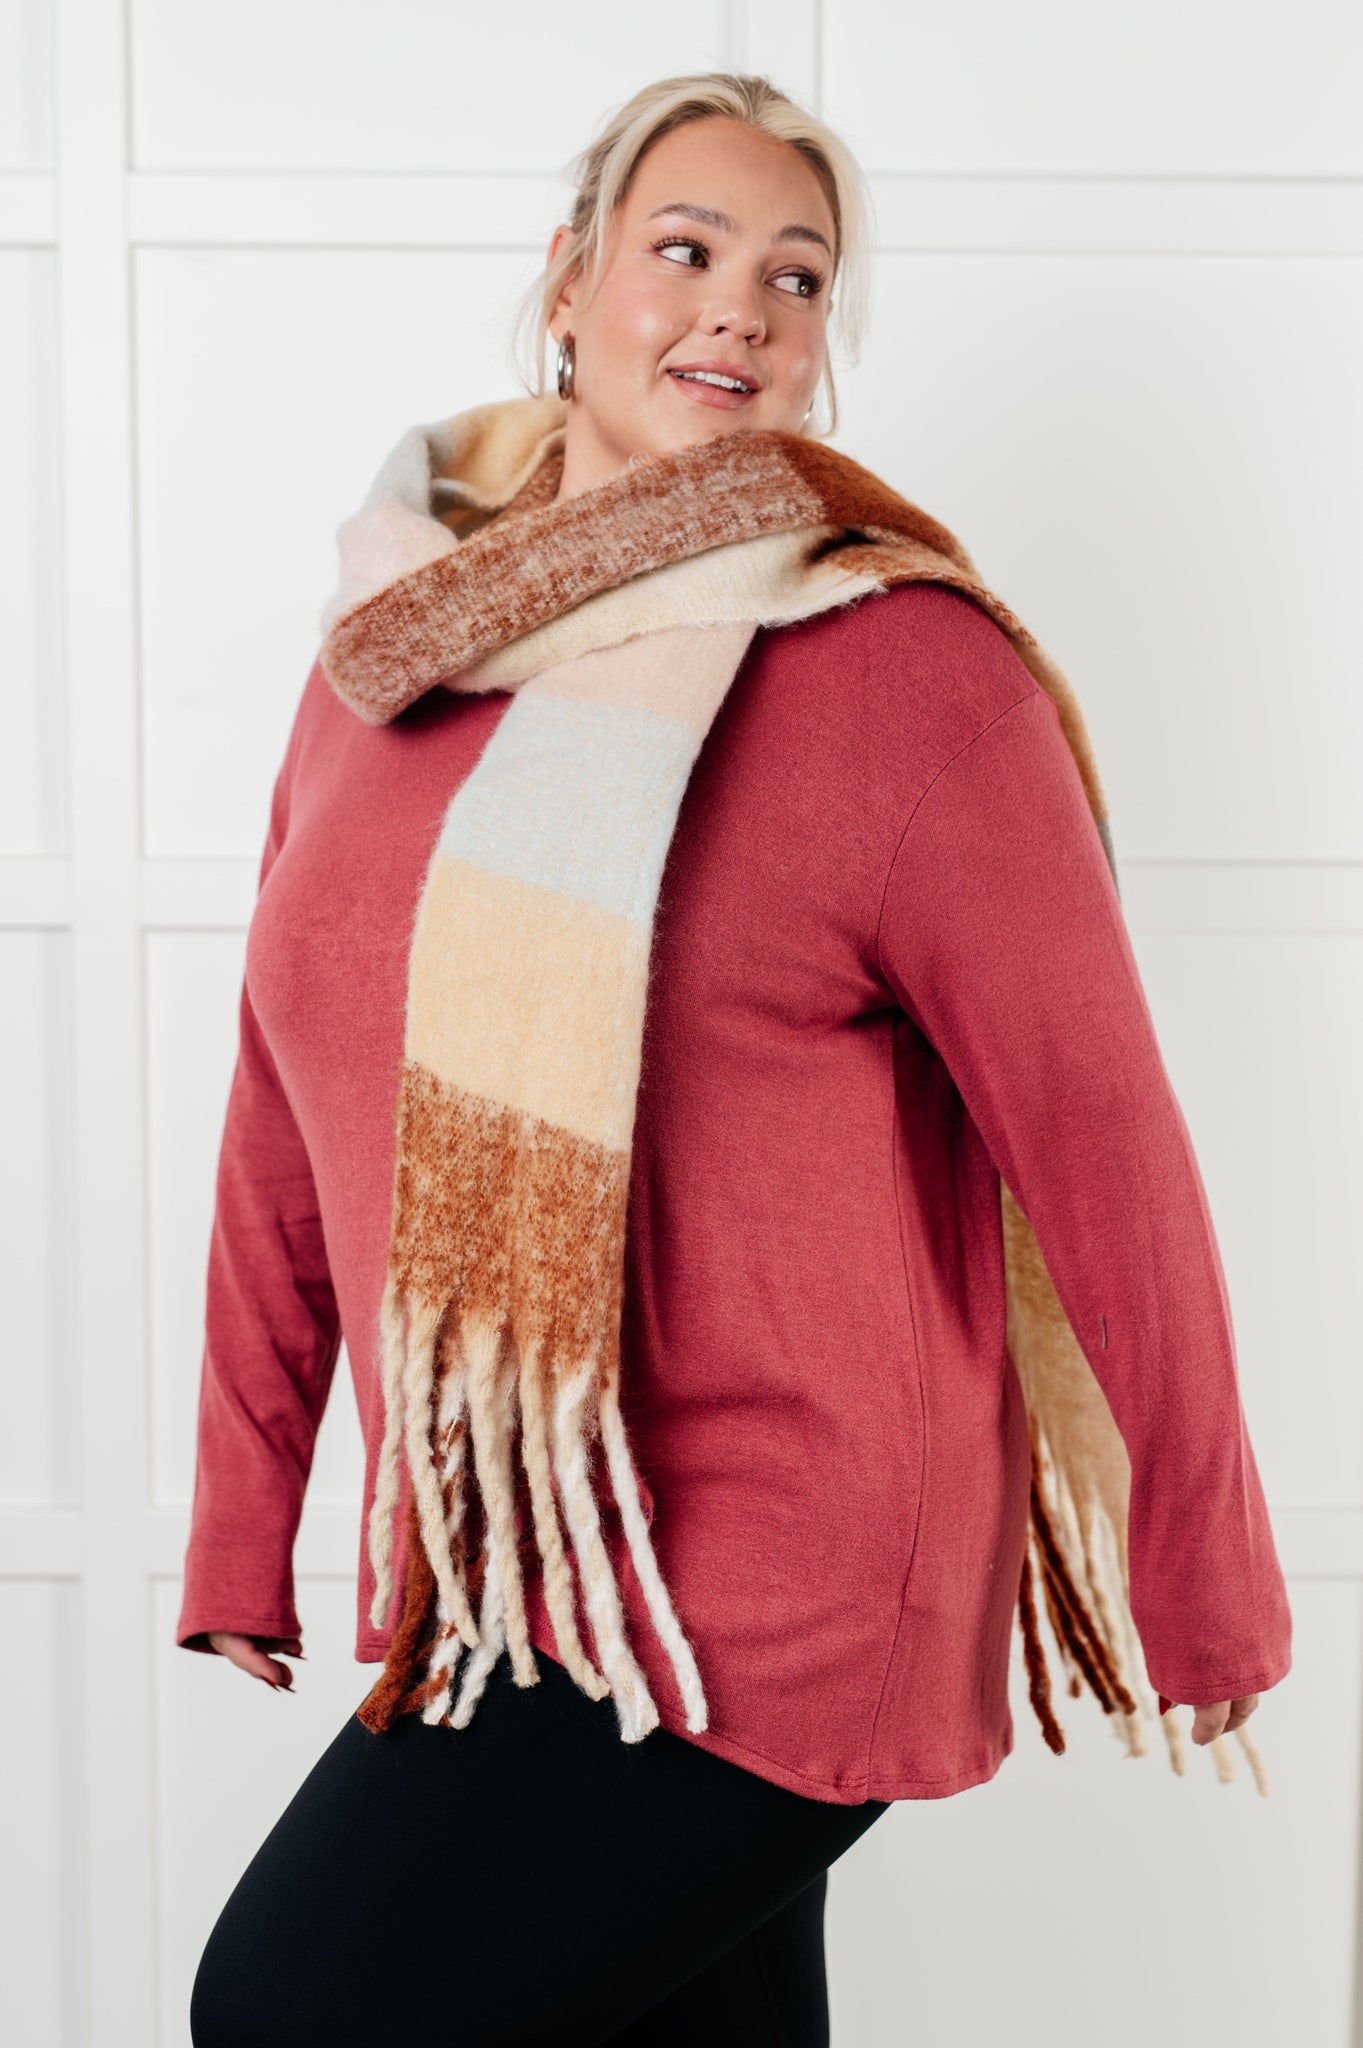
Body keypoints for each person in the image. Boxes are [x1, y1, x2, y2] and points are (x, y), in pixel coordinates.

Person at [179, 72, 1290, 2048]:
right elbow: (283, 1095)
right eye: (684, 249)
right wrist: (239, 1508)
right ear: (568, 280)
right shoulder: (383, 654)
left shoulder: (902, 672)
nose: (740, 309)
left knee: (292, 2012)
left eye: (796, 276)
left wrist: (1204, 1562)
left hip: (790, 1569)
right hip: (513, 1541)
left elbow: (1099, 1136)